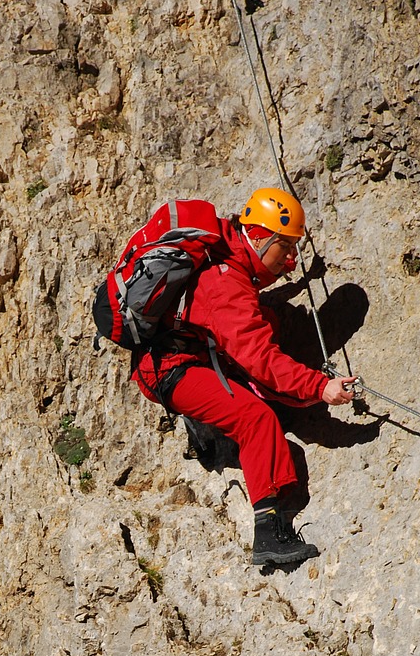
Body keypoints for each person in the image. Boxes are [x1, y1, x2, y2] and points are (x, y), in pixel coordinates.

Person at [133, 186, 357, 568]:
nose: (290, 261)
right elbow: (259, 357)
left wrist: (301, 283)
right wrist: (321, 386)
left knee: (267, 319)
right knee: (256, 418)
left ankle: (212, 420)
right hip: (172, 369)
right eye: (284, 249)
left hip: (179, 354)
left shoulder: (225, 247)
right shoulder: (228, 284)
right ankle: (269, 536)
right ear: (258, 237)